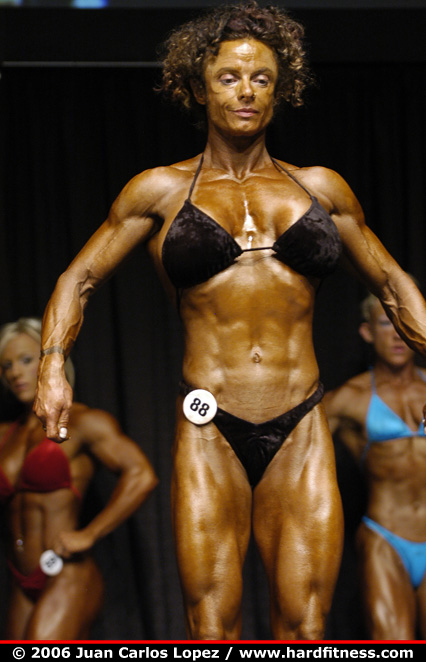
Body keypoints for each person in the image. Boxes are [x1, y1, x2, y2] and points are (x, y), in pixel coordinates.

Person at [33, 1, 426, 640]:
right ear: (199, 88)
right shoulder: (159, 191)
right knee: (211, 629)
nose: (246, 91)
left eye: (261, 78)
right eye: (229, 77)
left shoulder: (320, 189)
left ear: (280, 89)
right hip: (209, 425)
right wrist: (53, 366)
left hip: (300, 424)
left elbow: (389, 280)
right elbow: (78, 278)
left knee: (305, 628)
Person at [0, 317, 158, 640]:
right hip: (21, 579)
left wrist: (90, 533)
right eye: (7, 365)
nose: (15, 372)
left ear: (49, 363)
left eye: (26, 360)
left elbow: (142, 475)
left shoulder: (83, 422)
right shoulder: (5, 436)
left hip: (68, 572)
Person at [324, 292, 426, 640]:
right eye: (386, 323)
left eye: (404, 323)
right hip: (385, 538)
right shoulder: (348, 398)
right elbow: (292, 450)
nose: (398, 334)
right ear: (367, 332)